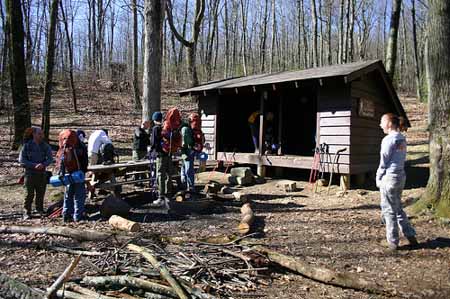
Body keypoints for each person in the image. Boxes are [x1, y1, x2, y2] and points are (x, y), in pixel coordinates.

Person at [376, 113, 418, 250]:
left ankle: (393, 242)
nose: (380, 125)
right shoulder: (402, 138)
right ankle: (411, 236)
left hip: (389, 178)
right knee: (398, 207)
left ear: (389, 123)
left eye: (382, 122)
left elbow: (384, 162)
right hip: (400, 176)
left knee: (389, 210)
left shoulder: (388, 139)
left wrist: (379, 177)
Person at [18, 126, 54, 219]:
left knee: (40, 193)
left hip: (42, 174)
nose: (41, 135)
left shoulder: (45, 146)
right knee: (29, 194)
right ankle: (27, 212)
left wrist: (43, 164)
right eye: (39, 134)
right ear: (34, 134)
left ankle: (40, 210)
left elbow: (50, 158)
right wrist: (34, 165)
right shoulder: (27, 145)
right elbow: (22, 160)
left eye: (42, 134)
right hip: (29, 173)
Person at [150, 109, 182, 205]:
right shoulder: (166, 127)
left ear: (154, 119)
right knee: (168, 173)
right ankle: (168, 194)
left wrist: (151, 151)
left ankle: (161, 196)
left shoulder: (156, 128)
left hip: (160, 154)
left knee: (160, 174)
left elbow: (154, 142)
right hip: (169, 153)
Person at [57, 129, 89, 222]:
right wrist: (84, 171)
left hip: (67, 173)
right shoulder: (81, 146)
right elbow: (85, 161)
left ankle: (66, 215)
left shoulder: (64, 146)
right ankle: (78, 216)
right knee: (79, 195)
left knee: (68, 194)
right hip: (78, 174)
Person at [180, 113, 205, 193]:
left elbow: (185, 143)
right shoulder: (193, 129)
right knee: (187, 168)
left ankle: (188, 186)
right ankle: (189, 186)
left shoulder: (185, 129)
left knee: (187, 168)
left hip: (187, 151)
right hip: (190, 151)